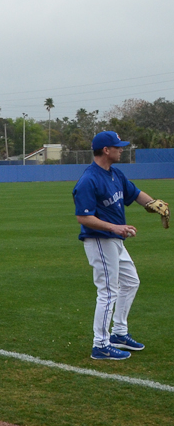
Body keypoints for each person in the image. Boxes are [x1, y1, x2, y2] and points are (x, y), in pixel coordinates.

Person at [72, 131, 165, 360]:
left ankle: (119, 334)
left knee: (131, 281)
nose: (121, 149)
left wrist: (154, 203)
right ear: (106, 150)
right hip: (100, 240)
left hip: (115, 241)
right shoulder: (89, 179)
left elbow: (134, 194)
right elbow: (83, 217)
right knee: (108, 291)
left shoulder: (115, 174)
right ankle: (100, 345)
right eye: (118, 146)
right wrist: (115, 227)